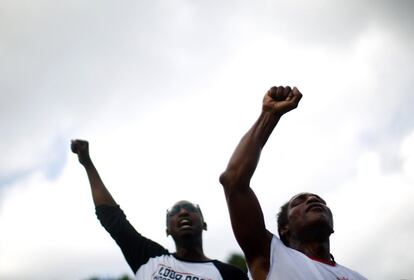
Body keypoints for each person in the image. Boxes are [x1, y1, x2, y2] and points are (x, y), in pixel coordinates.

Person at [219, 86, 367, 280]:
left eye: (320, 200)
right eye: (299, 201)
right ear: (285, 229)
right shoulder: (272, 256)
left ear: (332, 226)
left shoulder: (358, 277)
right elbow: (233, 180)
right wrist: (269, 115)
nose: (313, 199)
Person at [71, 139, 248, 280]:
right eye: (175, 211)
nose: (183, 212)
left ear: (204, 224)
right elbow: (112, 218)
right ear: (167, 230)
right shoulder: (149, 258)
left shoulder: (230, 275)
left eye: (189, 208)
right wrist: (87, 164)